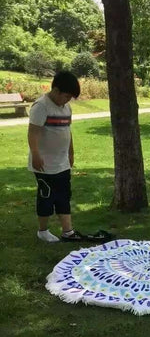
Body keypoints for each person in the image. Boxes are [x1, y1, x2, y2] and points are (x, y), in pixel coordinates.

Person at [28, 70, 84, 242]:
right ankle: (43, 230)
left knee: (64, 195)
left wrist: (71, 152)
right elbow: (33, 133)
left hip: (62, 162)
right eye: (66, 96)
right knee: (47, 196)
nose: (67, 100)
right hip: (44, 164)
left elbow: (68, 131)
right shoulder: (41, 106)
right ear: (57, 90)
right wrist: (36, 155)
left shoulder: (66, 108)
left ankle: (68, 231)